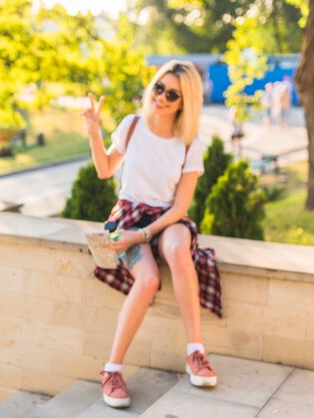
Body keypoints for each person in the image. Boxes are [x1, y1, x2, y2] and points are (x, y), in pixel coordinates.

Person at [82, 60, 222, 409]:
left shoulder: (190, 144)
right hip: (129, 213)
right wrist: (93, 130)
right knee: (146, 280)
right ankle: (112, 370)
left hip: (167, 219)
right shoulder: (132, 126)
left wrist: (140, 236)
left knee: (177, 249)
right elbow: (104, 170)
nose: (160, 97)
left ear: (184, 101)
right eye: (159, 87)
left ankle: (196, 352)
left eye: (171, 94)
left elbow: (179, 209)